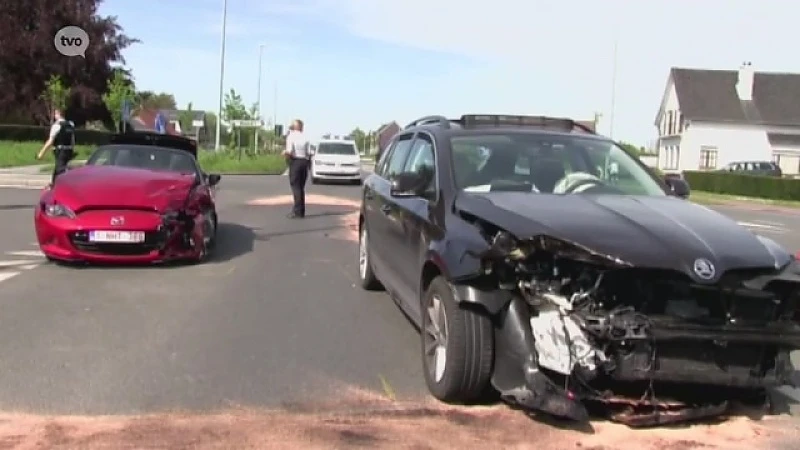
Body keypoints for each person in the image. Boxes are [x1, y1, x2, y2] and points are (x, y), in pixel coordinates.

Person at [36, 108, 76, 185]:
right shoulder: (70, 125)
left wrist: (41, 153)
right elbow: (73, 140)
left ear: (58, 114)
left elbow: (50, 141)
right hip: (69, 150)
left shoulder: (56, 125)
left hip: (60, 151)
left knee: (60, 170)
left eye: (55, 114)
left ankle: (61, 187)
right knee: (58, 169)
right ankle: (54, 184)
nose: (54, 116)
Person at [283, 119, 312, 218]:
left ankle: (297, 211)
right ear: (301, 127)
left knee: (295, 187)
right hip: (304, 162)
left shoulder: (291, 137)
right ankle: (301, 210)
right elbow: (309, 152)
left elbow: (290, 151)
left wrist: (284, 154)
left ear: (294, 127)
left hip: (295, 162)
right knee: (301, 187)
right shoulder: (306, 137)